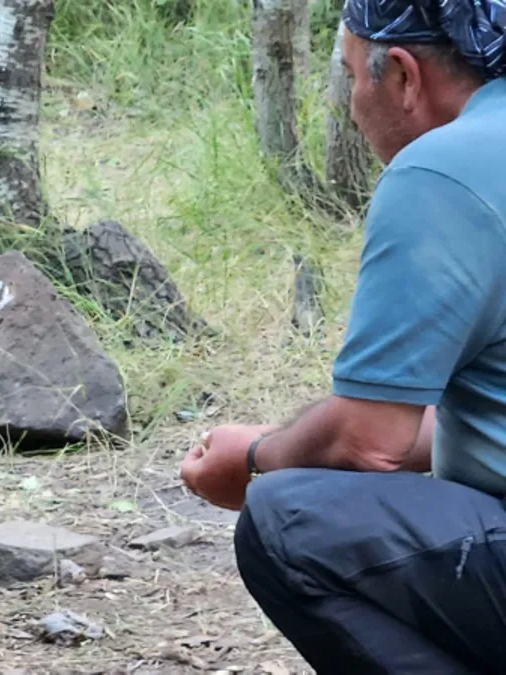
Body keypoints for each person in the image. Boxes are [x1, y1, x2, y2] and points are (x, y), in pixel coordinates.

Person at [178, 0, 506, 672]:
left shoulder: (441, 169)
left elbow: (368, 443)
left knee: (287, 520)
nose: (352, 107)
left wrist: (257, 459)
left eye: (354, 77)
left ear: (404, 76)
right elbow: (465, 424)